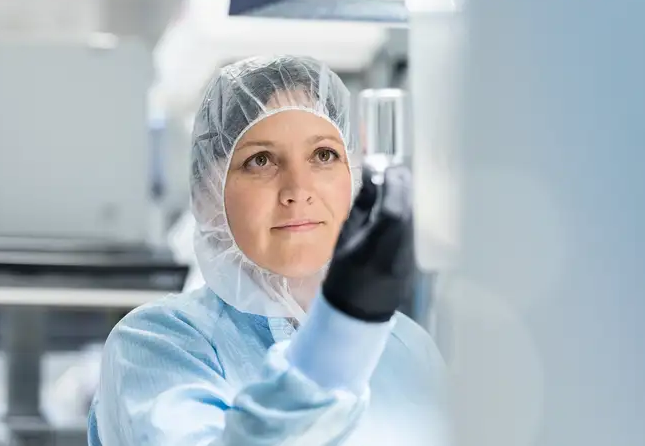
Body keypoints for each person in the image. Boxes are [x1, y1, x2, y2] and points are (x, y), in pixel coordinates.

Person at [88, 55, 448, 445]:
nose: (298, 190)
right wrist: (344, 328)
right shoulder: (158, 343)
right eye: (260, 160)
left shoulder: (409, 349)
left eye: (324, 155)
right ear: (208, 195)